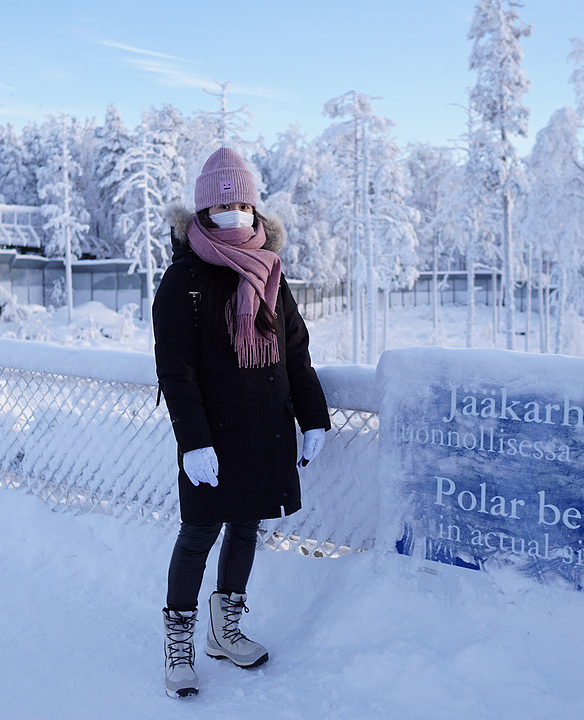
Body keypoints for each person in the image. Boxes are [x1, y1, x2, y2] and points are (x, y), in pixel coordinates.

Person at [152, 147, 331, 698]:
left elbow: (294, 353)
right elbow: (175, 371)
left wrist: (314, 418)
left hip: (265, 427)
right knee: (199, 533)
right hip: (212, 435)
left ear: (255, 209)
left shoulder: (271, 271)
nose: (236, 213)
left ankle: (224, 631)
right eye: (223, 204)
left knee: (248, 526)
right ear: (204, 212)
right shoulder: (183, 279)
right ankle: (178, 643)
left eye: (243, 203)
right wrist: (194, 443)